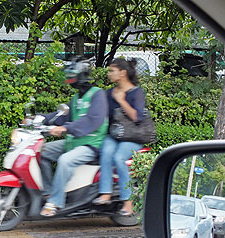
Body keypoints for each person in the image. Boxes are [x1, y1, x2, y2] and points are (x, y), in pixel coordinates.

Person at [39, 57, 108, 217]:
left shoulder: (98, 95)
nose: (69, 80)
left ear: (82, 75)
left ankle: (54, 202)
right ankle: (48, 192)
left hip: (91, 144)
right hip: (74, 142)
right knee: (41, 151)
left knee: (65, 160)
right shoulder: (77, 98)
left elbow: (93, 120)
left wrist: (65, 128)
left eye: (72, 75)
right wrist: (39, 118)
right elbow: (61, 116)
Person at [93, 58, 145, 216]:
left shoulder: (137, 92)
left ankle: (128, 202)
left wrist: (121, 100)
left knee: (119, 158)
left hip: (133, 137)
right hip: (114, 135)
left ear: (122, 73)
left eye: (111, 70)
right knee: (106, 153)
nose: (109, 74)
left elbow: (137, 117)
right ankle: (106, 193)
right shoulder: (109, 93)